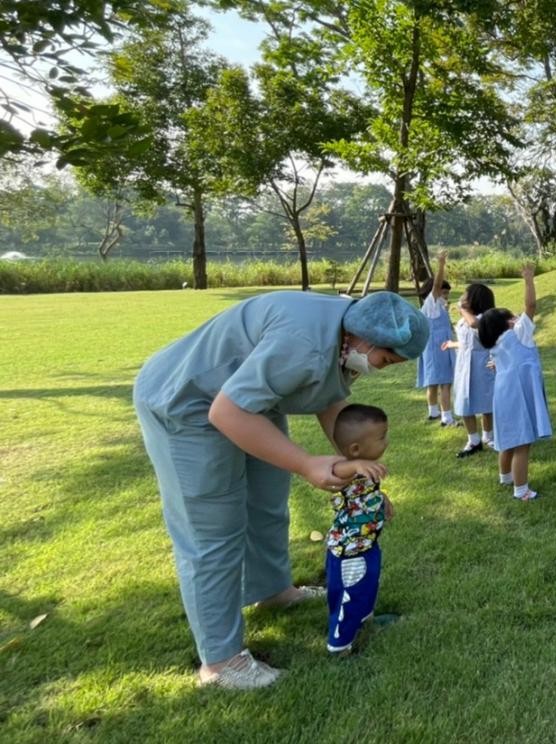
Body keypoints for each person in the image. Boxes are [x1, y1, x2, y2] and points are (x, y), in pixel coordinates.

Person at [133, 289, 428, 688]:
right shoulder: (305, 344)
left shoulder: (345, 333)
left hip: (250, 401)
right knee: (213, 531)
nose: (384, 369)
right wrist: (306, 464)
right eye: (386, 359)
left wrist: (359, 478)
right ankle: (221, 663)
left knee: (267, 504)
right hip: (187, 403)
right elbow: (226, 411)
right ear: (366, 340)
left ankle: (273, 591)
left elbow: (332, 405)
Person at [476, 264, 551, 502]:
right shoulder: (518, 334)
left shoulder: (497, 344)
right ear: (509, 323)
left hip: (503, 394)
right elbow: (531, 306)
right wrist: (529, 279)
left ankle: (505, 477)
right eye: (513, 316)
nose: (518, 316)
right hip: (519, 395)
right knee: (522, 443)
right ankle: (521, 490)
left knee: (507, 438)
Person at [325, 403, 390, 654]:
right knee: (349, 596)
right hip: (350, 552)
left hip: (367, 544)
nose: (387, 442)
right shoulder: (345, 468)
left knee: (366, 587)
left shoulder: (363, 470)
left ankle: (365, 617)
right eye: (381, 437)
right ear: (355, 448)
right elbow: (336, 471)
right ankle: (339, 644)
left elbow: (362, 494)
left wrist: (382, 498)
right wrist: (354, 466)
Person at [445, 282, 498, 457]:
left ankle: (488, 437)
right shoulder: (463, 321)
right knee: (464, 401)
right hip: (464, 364)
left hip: (482, 363)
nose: (462, 297)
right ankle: (473, 440)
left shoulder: (485, 318)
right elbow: (466, 341)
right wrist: (453, 344)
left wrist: (461, 309)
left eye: (466, 295)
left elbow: (475, 325)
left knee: (486, 401)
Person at [417, 250, 457, 426]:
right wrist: (441, 265)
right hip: (438, 348)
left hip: (433, 348)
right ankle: (446, 418)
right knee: (445, 383)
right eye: (444, 293)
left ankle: (433, 413)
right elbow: (436, 284)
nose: (446, 297)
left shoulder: (436, 306)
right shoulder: (431, 304)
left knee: (432, 382)